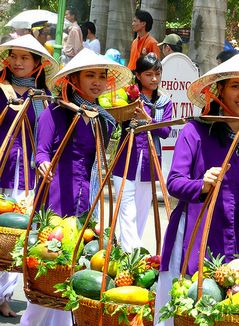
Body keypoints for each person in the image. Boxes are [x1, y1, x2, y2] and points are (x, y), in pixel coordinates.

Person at [154, 53, 239, 325]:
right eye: (236, 86)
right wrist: (201, 184)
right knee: (189, 309)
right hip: (196, 235)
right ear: (220, 90)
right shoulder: (195, 131)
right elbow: (174, 182)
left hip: (237, 238)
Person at [20, 48, 131, 326]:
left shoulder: (102, 118)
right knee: (49, 275)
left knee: (72, 279)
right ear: (74, 80)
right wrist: (42, 163)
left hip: (86, 202)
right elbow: (42, 151)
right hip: (56, 197)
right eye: (89, 75)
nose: (96, 81)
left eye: (101, 76)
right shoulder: (56, 113)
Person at [0, 34, 58, 319]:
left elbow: (47, 137)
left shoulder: (44, 100)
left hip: (27, 178)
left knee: (15, 238)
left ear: (37, 64)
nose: (18, 62)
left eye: (25, 58)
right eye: (14, 56)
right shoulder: (0, 89)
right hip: (2, 168)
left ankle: (4, 296)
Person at [113, 53, 173, 253]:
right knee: (126, 209)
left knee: (140, 212)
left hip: (149, 161)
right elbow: (116, 120)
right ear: (138, 75)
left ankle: (127, 255)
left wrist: (148, 120)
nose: (154, 79)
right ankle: (133, 252)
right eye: (149, 74)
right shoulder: (128, 96)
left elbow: (165, 132)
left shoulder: (165, 101)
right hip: (126, 158)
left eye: (157, 74)